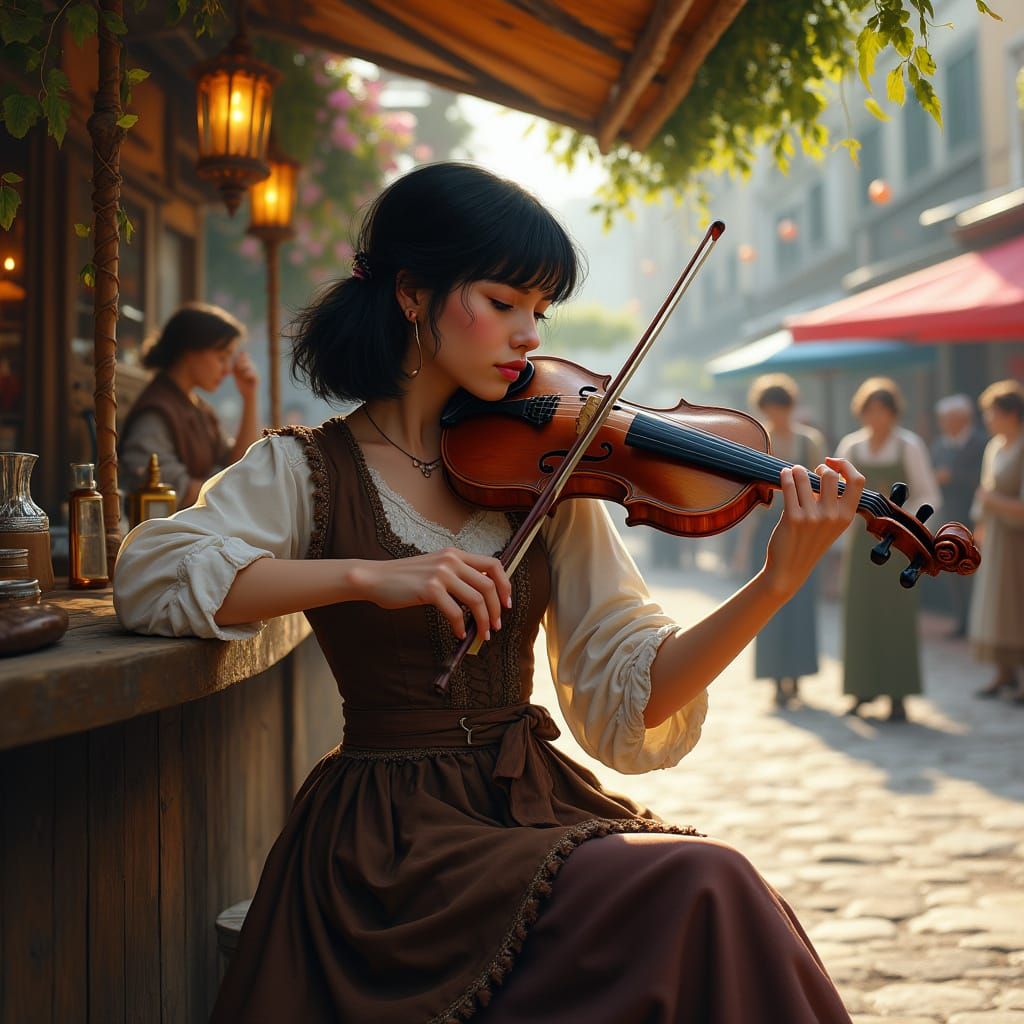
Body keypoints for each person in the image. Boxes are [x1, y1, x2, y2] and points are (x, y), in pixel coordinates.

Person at [113, 163, 861, 1023]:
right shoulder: (305, 469)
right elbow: (151, 574)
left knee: (714, 891)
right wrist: (368, 576)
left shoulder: (552, 475)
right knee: (704, 885)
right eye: (503, 302)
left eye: (540, 311)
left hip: (529, 805)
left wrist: (775, 582)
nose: (528, 336)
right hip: (391, 841)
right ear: (412, 295)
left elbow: (636, 697)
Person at [835, 377, 940, 723]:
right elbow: (838, 495)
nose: (876, 417)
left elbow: (928, 494)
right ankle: (861, 689)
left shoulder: (909, 446)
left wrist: (910, 524)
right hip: (862, 544)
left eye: (882, 410)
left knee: (897, 616)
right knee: (861, 614)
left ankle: (898, 694)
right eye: (870, 410)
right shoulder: (852, 447)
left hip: (901, 545)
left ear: (894, 412)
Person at [732, 374, 826, 707]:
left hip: (801, 529)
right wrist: (743, 546)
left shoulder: (808, 442)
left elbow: (823, 491)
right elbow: (750, 499)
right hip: (767, 531)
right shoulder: (760, 442)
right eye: (770, 408)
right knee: (766, 603)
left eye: (780, 407)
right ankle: (775, 678)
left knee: (800, 604)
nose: (776, 414)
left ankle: (797, 676)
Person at [119, 302, 261, 510]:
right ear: (190, 351)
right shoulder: (156, 412)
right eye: (221, 357)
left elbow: (239, 465)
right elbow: (178, 491)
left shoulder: (200, 408)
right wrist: (235, 489)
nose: (227, 370)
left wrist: (250, 396)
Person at [968, 380, 1024, 701]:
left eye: (993, 413)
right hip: (997, 535)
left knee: (1018, 603)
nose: (988, 419)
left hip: (1018, 539)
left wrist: (992, 501)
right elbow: (984, 493)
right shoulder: (994, 447)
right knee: (997, 603)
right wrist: (980, 527)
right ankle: (1004, 672)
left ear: (1011, 413)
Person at [931, 394, 986, 637]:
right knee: (953, 570)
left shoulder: (981, 443)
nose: (944, 424)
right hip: (949, 519)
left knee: (975, 571)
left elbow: (984, 480)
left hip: (973, 517)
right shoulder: (939, 446)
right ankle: (961, 620)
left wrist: (953, 476)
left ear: (963, 418)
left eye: (948, 418)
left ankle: (978, 622)